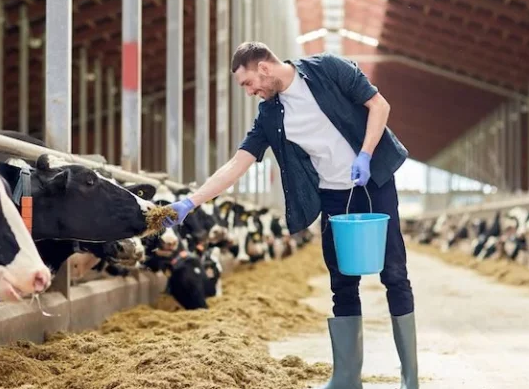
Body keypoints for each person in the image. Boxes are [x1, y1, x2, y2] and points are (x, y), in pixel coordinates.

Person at [161, 42, 418, 389]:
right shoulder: (270, 115)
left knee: (394, 273)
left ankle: (409, 378)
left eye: (248, 83)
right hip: (331, 196)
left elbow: (378, 105)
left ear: (263, 68)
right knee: (342, 283)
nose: (250, 92)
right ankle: (346, 378)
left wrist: (366, 154)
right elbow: (239, 163)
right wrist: (191, 201)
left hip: (374, 183)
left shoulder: (327, 68)